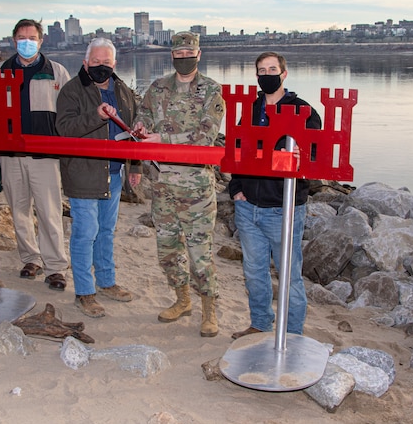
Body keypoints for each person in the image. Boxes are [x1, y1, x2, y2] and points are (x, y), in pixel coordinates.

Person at [133, 31, 225, 337]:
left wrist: (163, 139)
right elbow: (142, 116)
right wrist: (140, 128)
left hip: (196, 188)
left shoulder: (211, 90)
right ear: (172, 56)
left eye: (189, 55)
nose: (184, 59)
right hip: (162, 186)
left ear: (198, 56)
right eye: (179, 55)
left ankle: (208, 309)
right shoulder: (157, 88)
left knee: (201, 253)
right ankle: (182, 299)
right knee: (167, 251)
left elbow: (206, 137)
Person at [227, 52, 321, 339]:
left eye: (272, 69)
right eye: (261, 70)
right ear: (256, 76)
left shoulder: (303, 111)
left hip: (284, 209)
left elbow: (314, 156)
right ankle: (260, 324)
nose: (266, 74)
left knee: (289, 276)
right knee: (254, 273)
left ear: (284, 73)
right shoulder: (252, 108)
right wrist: (237, 189)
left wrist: (299, 155)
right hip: (248, 207)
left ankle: (292, 334)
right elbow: (237, 148)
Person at [55, 38, 141, 318]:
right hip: (83, 173)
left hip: (114, 173)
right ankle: (84, 291)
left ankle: (106, 282)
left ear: (114, 64)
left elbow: (132, 130)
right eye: (96, 62)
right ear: (85, 62)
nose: (101, 67)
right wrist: (95, 116)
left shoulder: (124, 90)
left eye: (106, 62)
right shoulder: (71, 91)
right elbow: (64, 129)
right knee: (85, 233)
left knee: (106, 231)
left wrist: (135, 167)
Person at [0, 19, 71, 291]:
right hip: (10, 155)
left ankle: (56, 266)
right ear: (14, 40)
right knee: (19, 211)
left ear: (41, 40)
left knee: (49, 213)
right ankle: (30, 258)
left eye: (32, 37)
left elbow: (67, 116)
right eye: (22, 37)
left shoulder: (57, 72)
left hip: (45, 156)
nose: (27, 42)